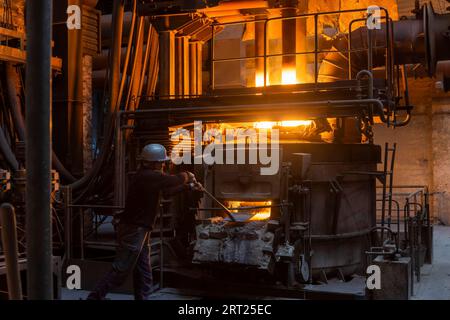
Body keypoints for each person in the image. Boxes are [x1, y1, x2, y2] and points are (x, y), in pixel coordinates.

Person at [87, 144, 200, 300]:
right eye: (161, 162)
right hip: (133, 229)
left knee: (143, 268)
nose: (163, 165)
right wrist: (188, 175)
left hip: (141, 229)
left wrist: (189, 187)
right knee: (121, 269)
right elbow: (174, 180)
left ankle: (143, 298)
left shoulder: (150, 177)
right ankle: (94, 298)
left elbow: (167, 191)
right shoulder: (147, 176)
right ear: (151, 163)